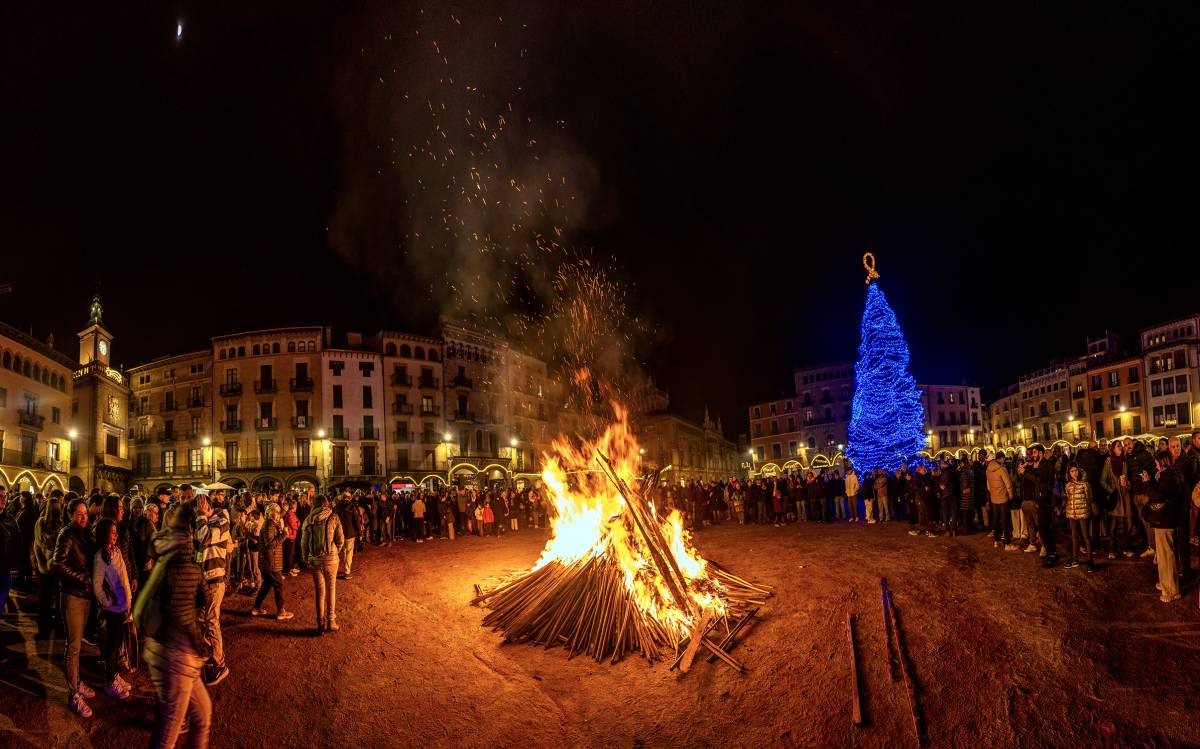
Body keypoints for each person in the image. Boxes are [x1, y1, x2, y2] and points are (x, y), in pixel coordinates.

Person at [141, 502, 212, 749]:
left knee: (202, 718)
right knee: (166, 739)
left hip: (167, 651)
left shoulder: (165, 557)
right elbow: (184, 612)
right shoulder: (186, 567)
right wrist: (199, 642)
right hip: (177, 656)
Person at [54, 497, 97, 716]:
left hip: (85, 594)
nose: (83, 517)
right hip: (72, 596)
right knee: (73, 647)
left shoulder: (85, 534)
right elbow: (58, 564)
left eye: (85, 514)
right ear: (70, 515)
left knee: (78, 644)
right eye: (79, 514)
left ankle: (77, 681)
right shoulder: (67, 534)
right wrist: (81, 579)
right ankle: (73, 694)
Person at [92, 517, 134, 699]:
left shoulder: (115, 551)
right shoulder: (100, 558)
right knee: (111, 646)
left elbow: (123, 577)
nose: (116, 534)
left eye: (116, 531)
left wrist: (128, 599)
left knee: (117, 643)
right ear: (104, 534)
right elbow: (97, 586)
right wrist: (107, 602)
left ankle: (114, 674)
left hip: (122, 605)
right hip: (112, 609)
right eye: (112, 531)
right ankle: (109, 681)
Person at [194, 495, 231, 687]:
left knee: (211, 621)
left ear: (207, 505)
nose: (198, 510)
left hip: (215, 580)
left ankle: (219, 663)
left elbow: (205, 537)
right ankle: (211, 654)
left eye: (201, 506)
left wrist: (200, 515)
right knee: (201, 620)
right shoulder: (203, 522)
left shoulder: (222, 520)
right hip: (203, 580)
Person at [301, 495, 344, 634]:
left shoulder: (309, 519)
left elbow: (303, 543)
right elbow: (340, 539)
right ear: (326, 504)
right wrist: (336, 551)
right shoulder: (333, 517)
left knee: (320, 591)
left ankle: (320, 623)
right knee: (331, 589)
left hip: (314, 560)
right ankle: (331, 621)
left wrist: (305, 557)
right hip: (331, 559)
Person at [1143, 450, 1182, 603]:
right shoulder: (1168, 475)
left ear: (1162, 461)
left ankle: (1170, 590)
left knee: (1166, 556)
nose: (1155, 464)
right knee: (1165, 554)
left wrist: (1147, 483)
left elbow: (1158, 496)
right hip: (1167, 520)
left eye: (1157, 461)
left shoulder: (1167, 476)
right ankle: (1168, 584)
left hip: (1164, 521)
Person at [250, 503, 293, 620]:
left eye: (279, 512)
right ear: (270, 513)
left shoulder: (271, 524)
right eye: (276, 512)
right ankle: (281, 611)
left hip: (268, 562)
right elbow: (270, 544)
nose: (279, 515)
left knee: (266, 585)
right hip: (271, 562)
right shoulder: (269, 525)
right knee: (279, 585)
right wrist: (284, 534)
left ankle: (256, 608)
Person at [33, 494, 65, 638]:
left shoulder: (40, 523)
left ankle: (43, 630)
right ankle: (59, 629)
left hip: (43, 568)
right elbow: (60, 548)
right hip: (56, 568)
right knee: (58, 600)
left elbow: (37, 545)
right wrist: (52, 562)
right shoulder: (61, 526)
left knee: (44, 600)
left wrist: (41, 564)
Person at [1063, 466, 1095, 571]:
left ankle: (1090, 560)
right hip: (1071, 514)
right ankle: (1075, 559)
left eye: (1075, 470)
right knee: (1074, 536)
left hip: (1083, 513)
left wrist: (1083, 507)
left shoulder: (1085, 484)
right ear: (1069, 473)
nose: (1074, 473)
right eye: (1072, 471)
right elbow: (1067, 497)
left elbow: (1089, 497)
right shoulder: (1068, 485)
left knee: (1086, 536)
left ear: (1079, 471)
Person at [986, 453, 1017, 551]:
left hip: (994, 498)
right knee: (1005, 521)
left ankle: (996, 541)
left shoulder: (988, 470)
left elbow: (988, 486)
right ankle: (1007, 543)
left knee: (995, 520)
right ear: (1002, 458)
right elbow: (1008, 484)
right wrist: (1011, 496)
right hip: (1003, 498)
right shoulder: (1001, 469)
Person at [334, 492, 360, 579]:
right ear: (350, 498)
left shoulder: (337, 507)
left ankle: (336, 569)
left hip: (339, 532)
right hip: (349, 533)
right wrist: (360, 532)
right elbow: (356, 521)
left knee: (340, 551)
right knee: (348, 552)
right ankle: (347, 571)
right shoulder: (352, 507)